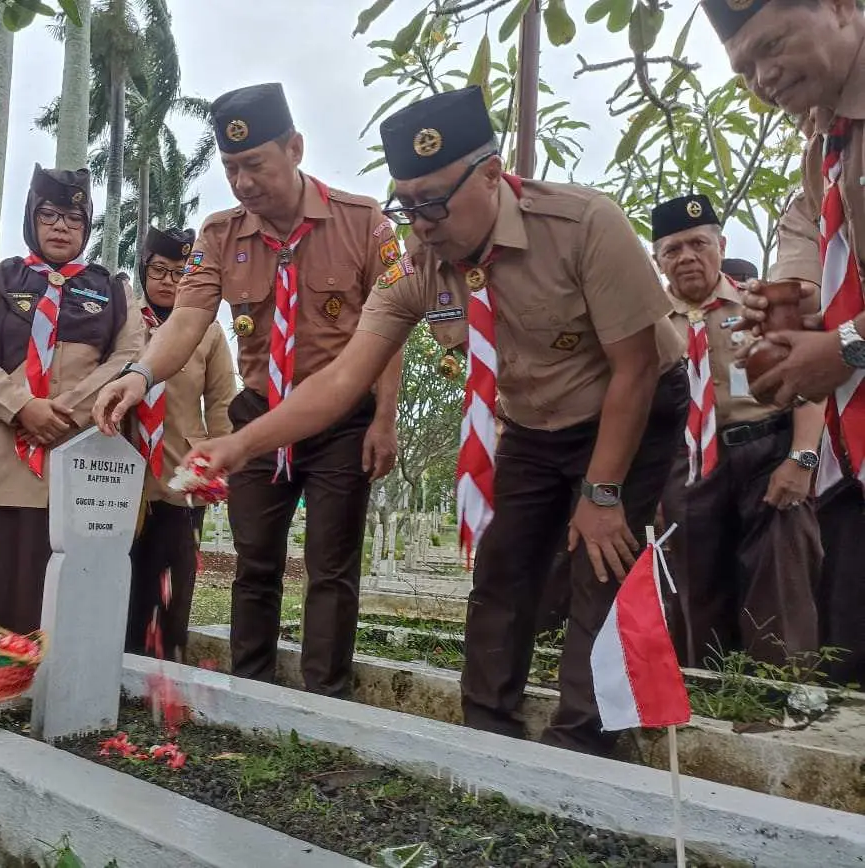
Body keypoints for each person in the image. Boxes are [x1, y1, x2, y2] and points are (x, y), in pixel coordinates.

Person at [186, 86, 688, 755]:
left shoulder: (583, 224)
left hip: (632, 408)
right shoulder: (420, 270)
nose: (420, 223)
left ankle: (581, 751)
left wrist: (601, 494)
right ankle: (488, 737)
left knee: (600, 566)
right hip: (533, 426)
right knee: (502, 569)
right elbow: (340, 382)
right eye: (406, 204)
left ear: (491, 174)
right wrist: (240, 444)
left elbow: (636, 367)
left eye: (433, 202)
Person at [93, 83, 402, 698]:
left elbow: (389, 333)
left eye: (255, 164)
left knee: (330, 566)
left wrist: (384, 419)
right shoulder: (220, 235)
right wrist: (138, 374)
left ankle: (325, 703)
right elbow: (187, 320)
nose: (243, 182)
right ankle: (251, 696)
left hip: (342, 422)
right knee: (254, 560)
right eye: (231, 168)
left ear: (295, 148)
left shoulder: (365, 223)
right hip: (258, 415)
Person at [704, 0, 865, 683]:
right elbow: (807, 223)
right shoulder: (826, 143)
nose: (762, 79)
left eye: (772, 46)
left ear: (840, 6)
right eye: (744, 69)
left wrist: (847, 346)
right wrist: (793, 299)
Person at [0, 165, 144, 634]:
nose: (61, 227)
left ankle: (59, 667)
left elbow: (131, 355)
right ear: (31, 218)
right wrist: (22, 406)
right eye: (49, 215)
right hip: (2, 456)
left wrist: (70, 410)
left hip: (77, 452)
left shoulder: (113, 290)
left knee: (67, 587)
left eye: (74, 219)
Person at [652, 194, 821, 668]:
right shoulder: (649, 324)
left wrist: (802, 458)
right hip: (687, 464)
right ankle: (706, 692)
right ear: (658, 260)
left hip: (767, 453)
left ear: (722, 246)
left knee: (781, 582)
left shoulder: (763, 305)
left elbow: (810, 384)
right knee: (694, 589)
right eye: (673, 249)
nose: (687, 257)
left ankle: (782, 691)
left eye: (699, 243)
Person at [125, 226, 236, 659]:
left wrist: (217, 463)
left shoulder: (208, 331)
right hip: (123, 466)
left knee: (171, 575)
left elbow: (222, 400)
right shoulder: (123, 318)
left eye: (179, 272)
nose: (168, 281)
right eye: (159, 270)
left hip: (180, 472)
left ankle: (163, 664)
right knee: (122, 569)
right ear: (143, 270)